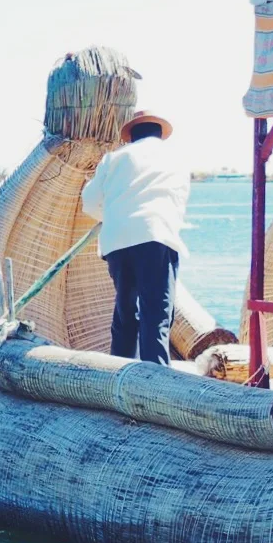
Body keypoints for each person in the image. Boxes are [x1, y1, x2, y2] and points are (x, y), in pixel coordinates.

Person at [80, 110, 189, 365]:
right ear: (160, 134)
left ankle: (119, 373)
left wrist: (113, 215)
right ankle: (156, 380)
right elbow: (178, 201)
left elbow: (90, 202)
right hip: (156, 235)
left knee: (125, 312)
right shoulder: (176, 159)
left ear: (130, 136)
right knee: (156, 315)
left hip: (116, 241)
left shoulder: (114, 158)